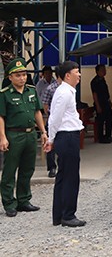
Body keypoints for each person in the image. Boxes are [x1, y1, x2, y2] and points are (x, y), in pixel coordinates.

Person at [0, 58, 48, 217]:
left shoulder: (31, 91)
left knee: (28, 168)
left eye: (24, 75)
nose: (22, 78)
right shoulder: (5, 94)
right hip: (13, 134)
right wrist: (2, 137)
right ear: (10, 77)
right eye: (18, 75)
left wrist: (43, 132)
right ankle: (9, 203)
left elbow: (37, 112)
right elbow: (1, 117)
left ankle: (23, 200)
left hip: (30, 134)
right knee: (10, 170)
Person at [45, 61, 85, 227]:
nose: (79, 74)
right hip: (67, 137)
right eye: (77, 72)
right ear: (68, 75)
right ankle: (68, 215)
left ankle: (59, 215)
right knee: (70, 177)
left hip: (67, 136)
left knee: (63, 176)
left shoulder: (66, 91)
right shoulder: (65, 93)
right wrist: (51, 139)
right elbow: (55, 118)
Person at [36, 66, 58, 178]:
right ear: (44, 74)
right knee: (50, 142)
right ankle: (52, 167)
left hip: (62, 120)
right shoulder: (42, 85)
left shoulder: (59, 85)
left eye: (50, 73)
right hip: (48, 115)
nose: (49, 75)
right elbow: (42, 102)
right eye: (47, 73)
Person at [91, 64, 112, 144]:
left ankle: (108, 136)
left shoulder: (103, 80)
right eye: (102, 70)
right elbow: (95, 94)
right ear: (97, 71)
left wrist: (109, 100)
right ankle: (101, 138)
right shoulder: (95, 81)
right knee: (101, 121)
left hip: (106, 102)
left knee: (110, 118)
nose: (104, 71)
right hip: (100, 103)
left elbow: (106, 92)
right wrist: (98, 106)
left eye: (105, 70)